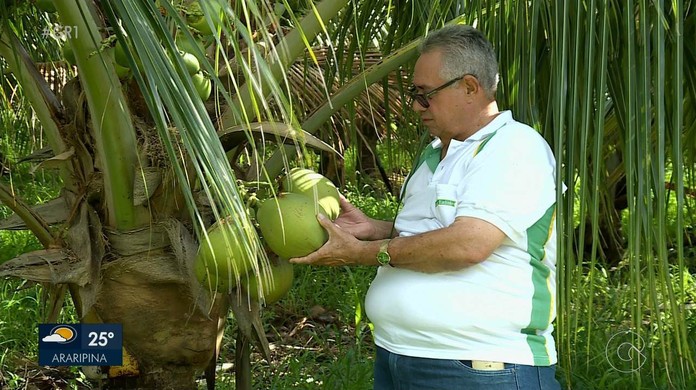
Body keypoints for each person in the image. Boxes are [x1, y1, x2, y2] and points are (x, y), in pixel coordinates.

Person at [290, 24, 562, 390]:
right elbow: (437, 230)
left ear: (469, 87)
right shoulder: (436, 152)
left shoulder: (515, 148)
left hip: (481, 368)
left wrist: (364, 253)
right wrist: (377, 228)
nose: (416, 105)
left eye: (425, 94)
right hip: (399, 358)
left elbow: (468, 243)